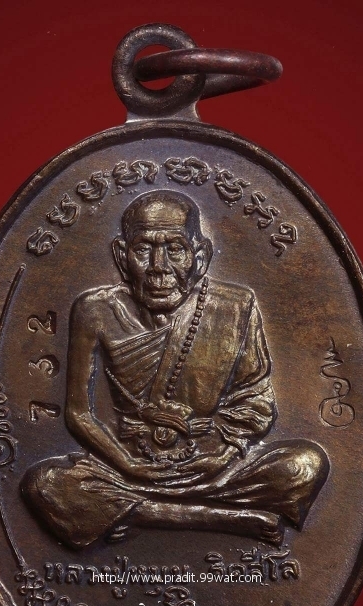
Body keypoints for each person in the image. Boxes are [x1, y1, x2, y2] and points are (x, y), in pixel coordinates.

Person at [21, 190, 328, 549]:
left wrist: (224, 454)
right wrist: (128, 465)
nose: (159, 267)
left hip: (209, 464)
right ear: (121, 256)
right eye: (143, 249)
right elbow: (79, 414)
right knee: (45, 483)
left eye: (175, 249)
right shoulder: (95, 310)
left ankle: (135, 513)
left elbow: (255, 400)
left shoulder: (234, 306)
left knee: (304, 465)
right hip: (126, 467)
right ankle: (221, 519)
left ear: (201, 257)